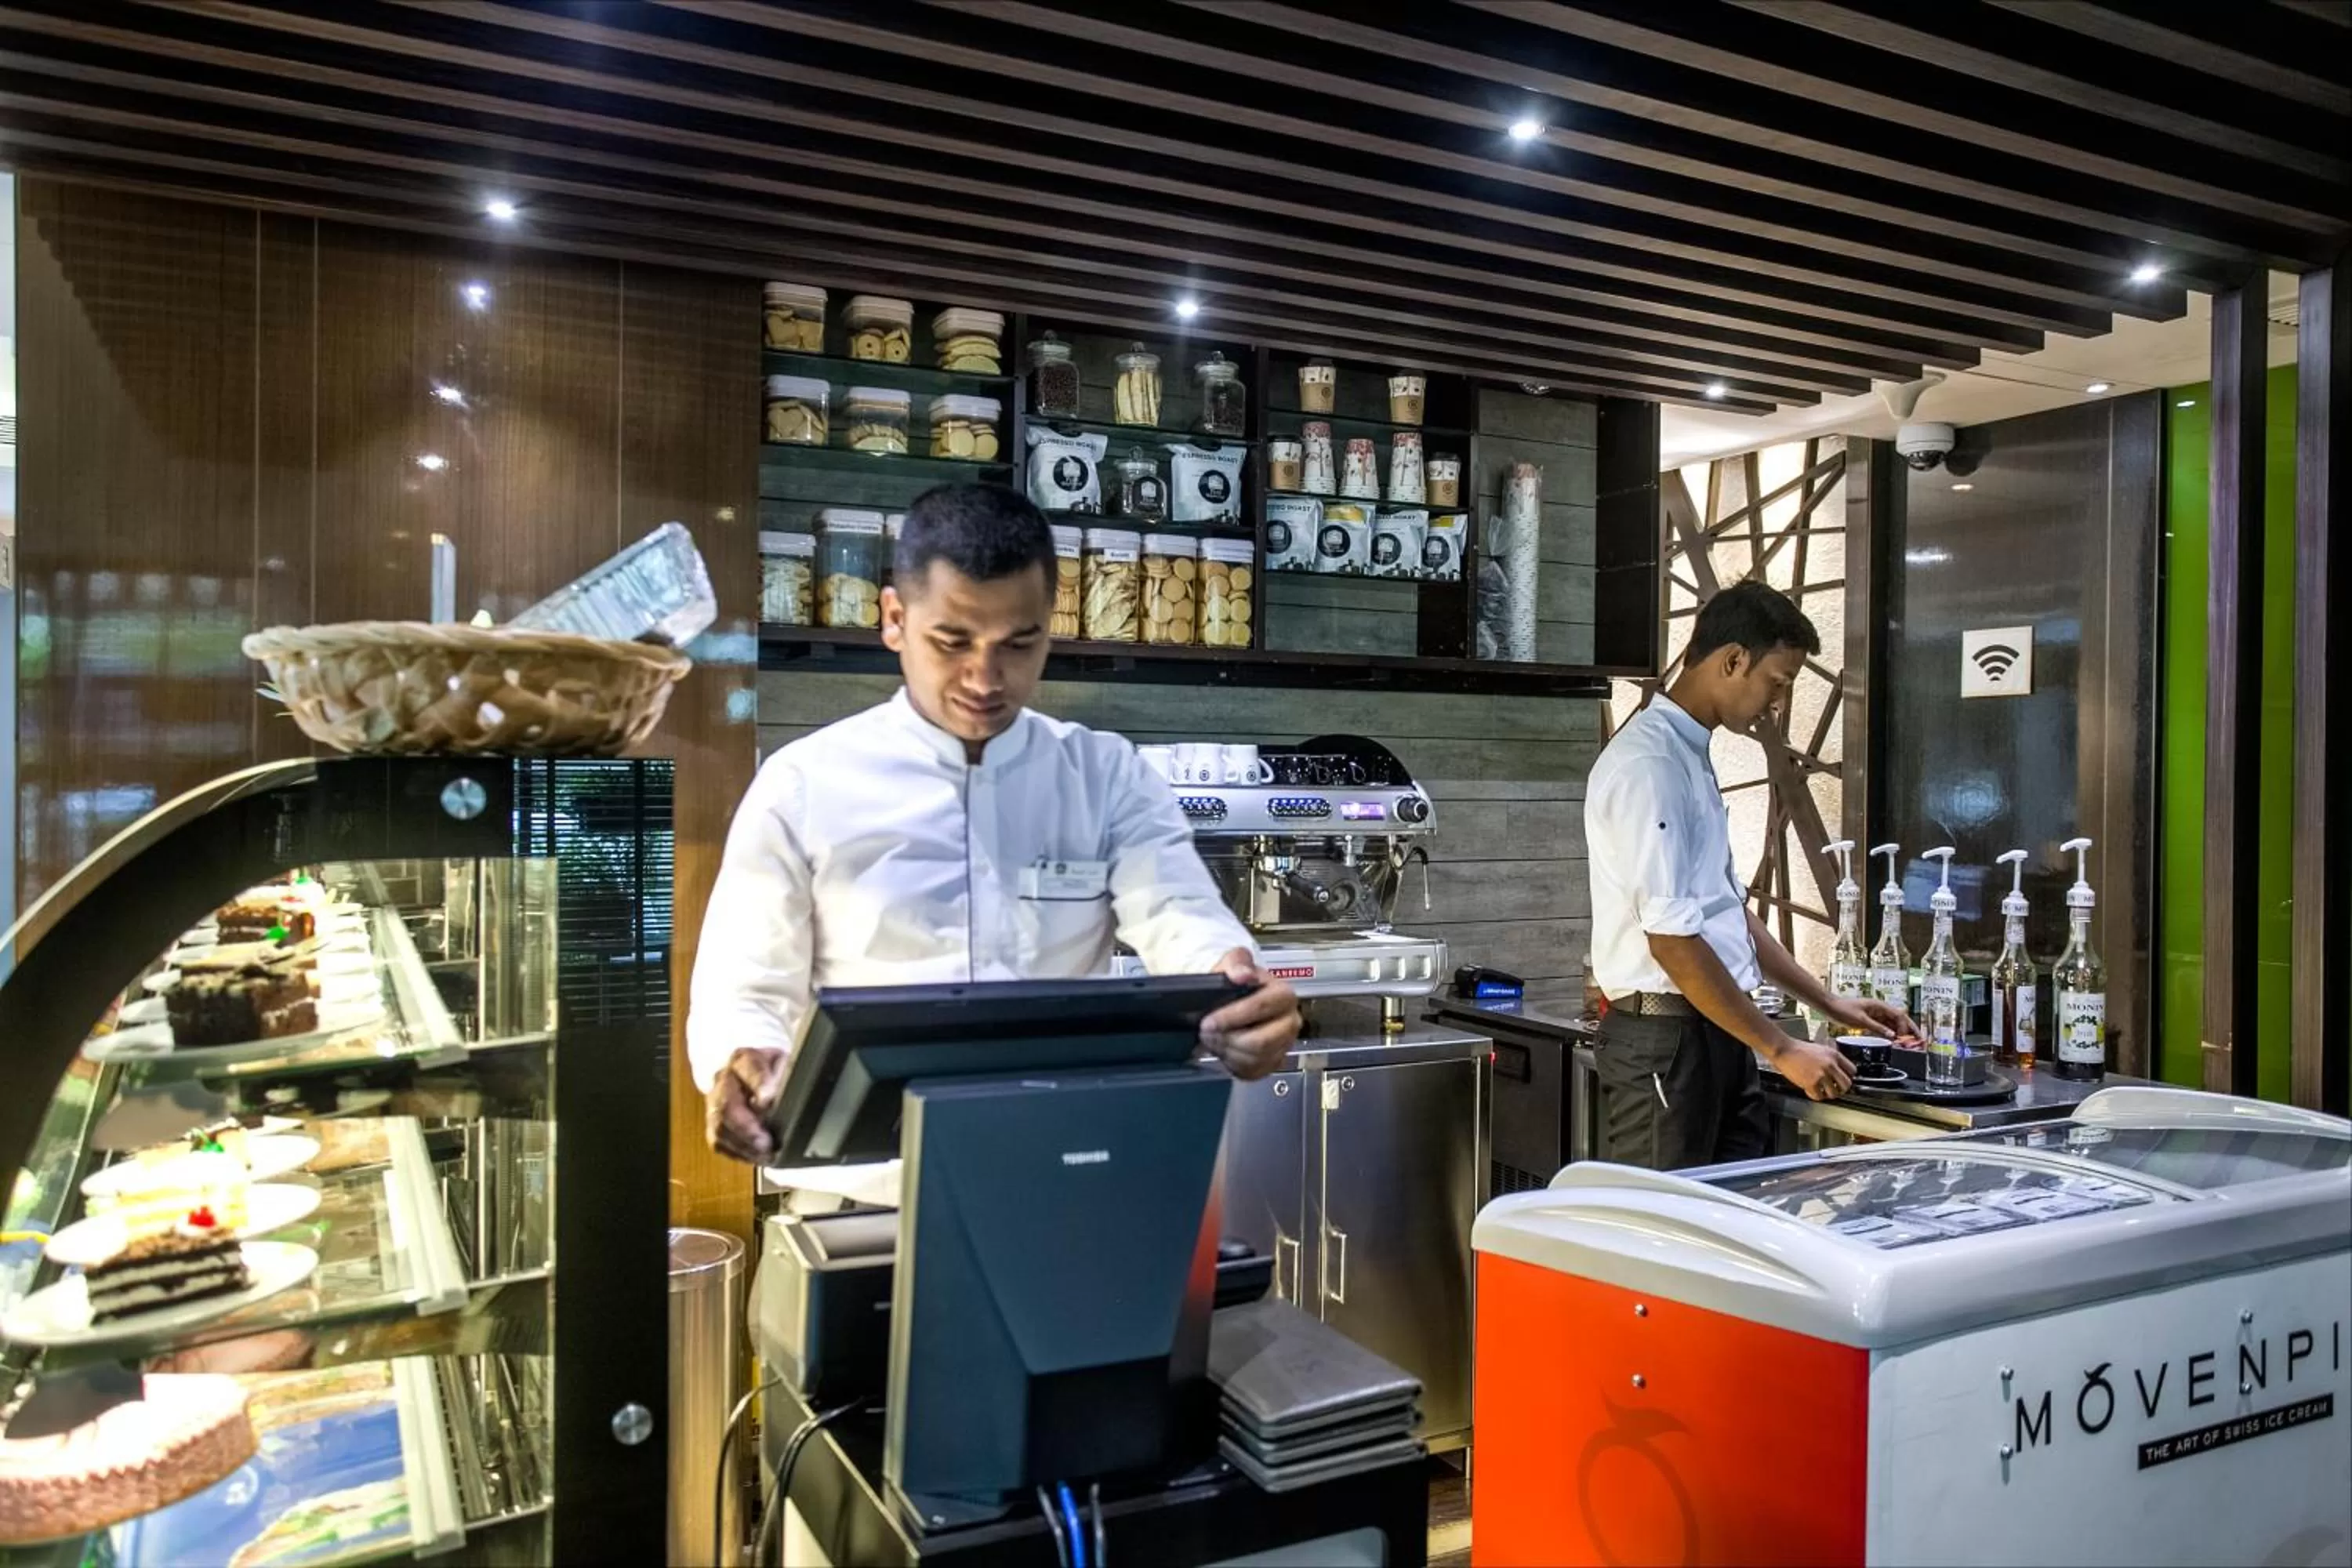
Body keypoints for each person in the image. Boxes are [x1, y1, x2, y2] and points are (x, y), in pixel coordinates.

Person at [691, 483, 1301, 1167]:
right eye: (952, 641)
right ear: (893, 618)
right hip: (860, 1195)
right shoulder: (802, 785)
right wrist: (739, 1067)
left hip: (1061, 1171)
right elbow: (745, 988)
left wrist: (1235, 990)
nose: (985, 677)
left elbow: (1181, 914)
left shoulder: (1104, 776)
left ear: (1050, 624)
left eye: (1019, 643)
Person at [1584, 579, 1916, 1171]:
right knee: (1670, 1242)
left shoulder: (1689, 754)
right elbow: (1672, 940)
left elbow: (1725, 912)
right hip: (1669, 1045)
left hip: (1718, 1033)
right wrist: (1782, 1046)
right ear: (1733, 660)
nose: (1778, 703)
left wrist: (1831, 1003)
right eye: (1778, 682)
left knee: (1730, 1232)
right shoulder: (1650, 765)